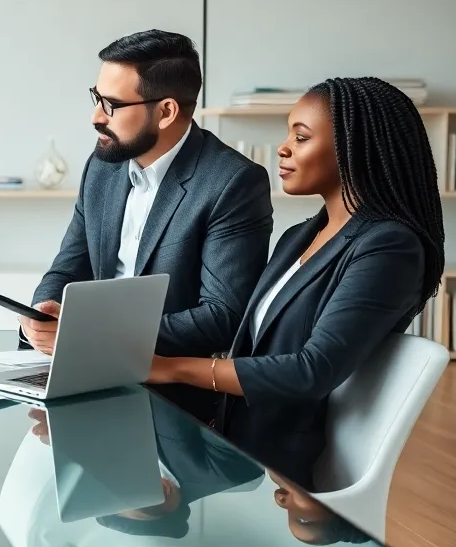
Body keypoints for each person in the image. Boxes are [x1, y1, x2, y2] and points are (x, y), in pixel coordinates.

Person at [148, 77, 445, 488]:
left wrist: (170, 369)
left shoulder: (390, 247)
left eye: (301, 137)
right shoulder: (298, 237)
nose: (282, 148)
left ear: (353, 149)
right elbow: (250, 340)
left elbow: (312, 370)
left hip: (270, 471)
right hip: (225, 438)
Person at [20, 30, 274, 421]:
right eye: (96, 97)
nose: (96, 116)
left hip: (173, 397)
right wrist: (43, 313)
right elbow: (70, 264)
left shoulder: (233, 183)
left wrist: (91, 335)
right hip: (86, 375)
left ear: (167, 111)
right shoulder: (103, 167)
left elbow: (223, 316)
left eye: (112, 105)